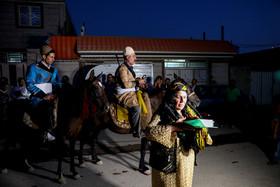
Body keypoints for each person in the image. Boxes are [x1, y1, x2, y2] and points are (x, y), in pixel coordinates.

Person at [145, 80, 212, 186]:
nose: (182, 101)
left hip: (186, 161)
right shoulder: (162, 113)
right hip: (166, 164)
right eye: (178, 97)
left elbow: (206, 138)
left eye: (185, 97)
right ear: (171, 97)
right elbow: (149, 132)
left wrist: (199, 123)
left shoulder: (190, 112)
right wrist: (173, 128)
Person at [26, 45, 62, 141]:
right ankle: (45, 131)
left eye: (54, 57)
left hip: (52, 96)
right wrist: (44, 96)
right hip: (38, 98)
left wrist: (57, 92)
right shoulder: (33, 68)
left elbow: (58, 82)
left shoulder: (54, 70)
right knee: (44, 107)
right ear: (44, 56)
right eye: (51, 57)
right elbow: (29, 84)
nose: (53, 59)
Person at [114, 46, 145, 138]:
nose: (136, 58)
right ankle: (136, 131)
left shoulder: (128, 68)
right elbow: (126, 85)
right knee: (137, 109)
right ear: (128, 58)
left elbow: (130, 80)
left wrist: (138, 82)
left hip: (130, 91)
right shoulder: (122, 69)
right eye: (134, 56)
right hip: (124, 95)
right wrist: (137, 82)